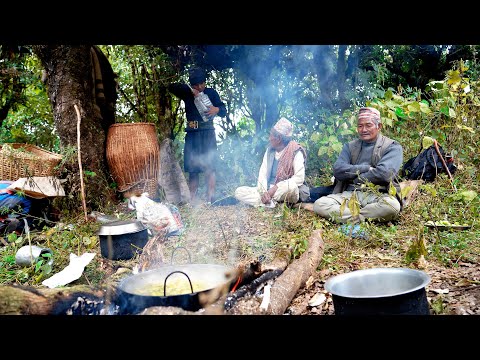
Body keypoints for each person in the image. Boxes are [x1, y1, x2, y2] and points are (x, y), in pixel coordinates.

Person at [313, 107, 403, 223]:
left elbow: (384, 174)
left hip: (377, 195)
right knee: (320, 204)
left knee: (392, 206)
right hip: (350, 194)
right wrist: (365, 168)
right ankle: (365, 217)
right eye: (360, 126)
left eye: (368, 125)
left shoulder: (392, 146)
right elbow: (338, 170)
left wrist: (356, 179)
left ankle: (348, 217)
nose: (364, 129)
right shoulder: (349, 147)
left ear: (379, 126)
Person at [168, 67, 227, 204]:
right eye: (196, 84)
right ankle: (192, 200)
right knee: (193, 169)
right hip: (192, 134)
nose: (200, 87)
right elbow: (172, 87)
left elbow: (223, 110)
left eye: (202, 83)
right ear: (192, 84)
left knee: (210, 166)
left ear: (205, 81)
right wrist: (190, 90)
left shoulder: (211, 93)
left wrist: (216, 109)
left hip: (208, 134)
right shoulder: (187, 93)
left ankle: (210, 198)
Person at [234, 117, 310, 207]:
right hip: (268, 190)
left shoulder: (296, 151)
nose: (269, 138)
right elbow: (263, 174)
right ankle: (271, 203)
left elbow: (299, 178)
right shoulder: (269, 151)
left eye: (271, 135)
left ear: (279, 138)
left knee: (291, 188)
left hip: (284, 190)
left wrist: (276, 187)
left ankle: (267, 203)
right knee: (239, 192)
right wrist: (264, 193)